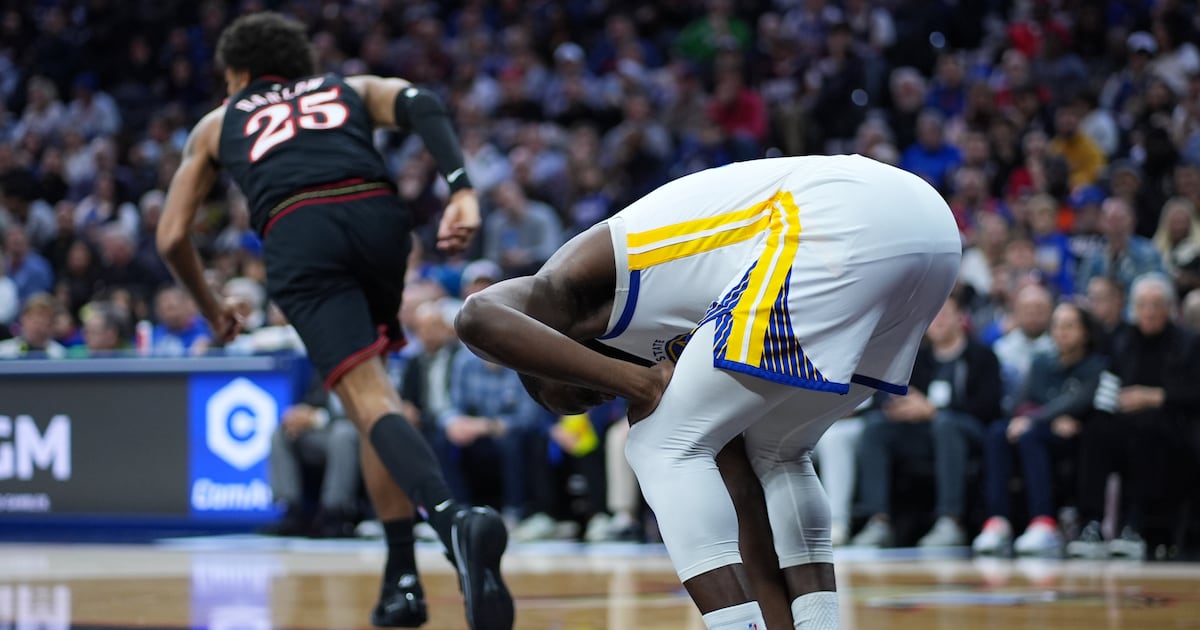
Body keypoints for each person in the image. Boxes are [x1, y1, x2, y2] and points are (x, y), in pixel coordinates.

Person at [455, 155, 961, 629]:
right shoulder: (665, 330)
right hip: (930, 230)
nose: (603, 390)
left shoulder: (565, 283)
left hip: (832, 219)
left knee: (660, 445)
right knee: (779, 451)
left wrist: (639, 383)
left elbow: (476, 315)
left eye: (585, 387)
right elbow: (741, 500)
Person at [155, 13, 511, 630]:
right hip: (378, 219)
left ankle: (454, 521)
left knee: (367, 396)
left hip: (300, 227)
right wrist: (461, 189)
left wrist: (214, 310)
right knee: (375, 398)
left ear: (236, 74)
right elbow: (420, 101)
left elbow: (169, 238)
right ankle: (402, 577)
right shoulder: (344, 87)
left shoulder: (220, 121)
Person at [972, 302, 1105, 557]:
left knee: (1031, 435)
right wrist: (1042, 419)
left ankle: (1043, 523)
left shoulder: (1095, 365)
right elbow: (1020, 402)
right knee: (998, 432)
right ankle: (997, 521)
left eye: (1069, 326)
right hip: (1040, 428)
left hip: (1078, 438)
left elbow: (1079, 401)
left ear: (1085, 332)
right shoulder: (1041, 362)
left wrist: (1038, 419)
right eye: (1057, 326)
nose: (1062, 332)